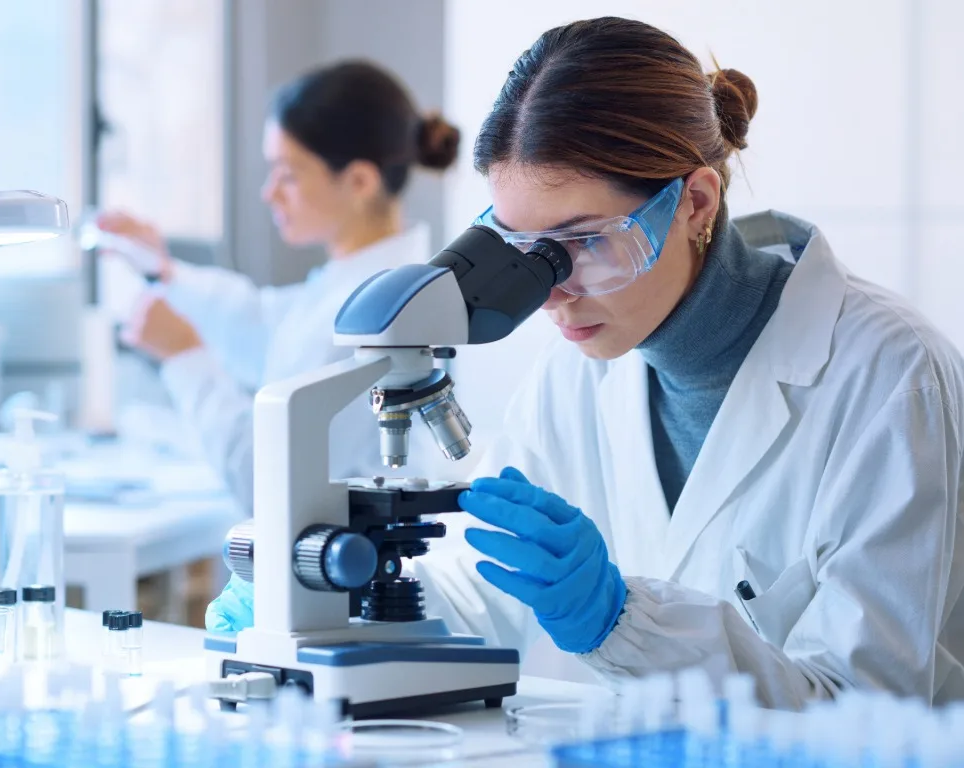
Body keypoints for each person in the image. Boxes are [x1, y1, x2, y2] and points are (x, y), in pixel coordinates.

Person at [207, 18, 964, 709]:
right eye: (524, 253)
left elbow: (870, 710)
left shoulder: (889, 376)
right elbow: (485, 590)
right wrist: (328, 605)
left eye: (588, 241)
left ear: (696, 203)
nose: (551, 294)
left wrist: (619, 622)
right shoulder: (581, 366)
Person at [98, 61, 460, 516]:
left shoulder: (380, 315)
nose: (270, 193)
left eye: (288, 173)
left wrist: (184, 359)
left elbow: (268, 484)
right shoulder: (358, 284)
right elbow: (265, 323)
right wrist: (163, 272)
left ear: (359, 181)